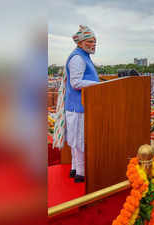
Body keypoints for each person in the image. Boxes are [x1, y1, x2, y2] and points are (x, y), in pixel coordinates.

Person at [65, 25, 99, 182]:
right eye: (90, 41)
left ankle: (74, 168)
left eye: (95, 41)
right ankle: (81, 172)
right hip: (78, 107)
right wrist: (98, 85)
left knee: (75, 140)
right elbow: (76, 82)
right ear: (80, 43)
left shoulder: (84, 56)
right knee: (78, 141)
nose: (94, 44)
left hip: (79, 106)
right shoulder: (78, 58)